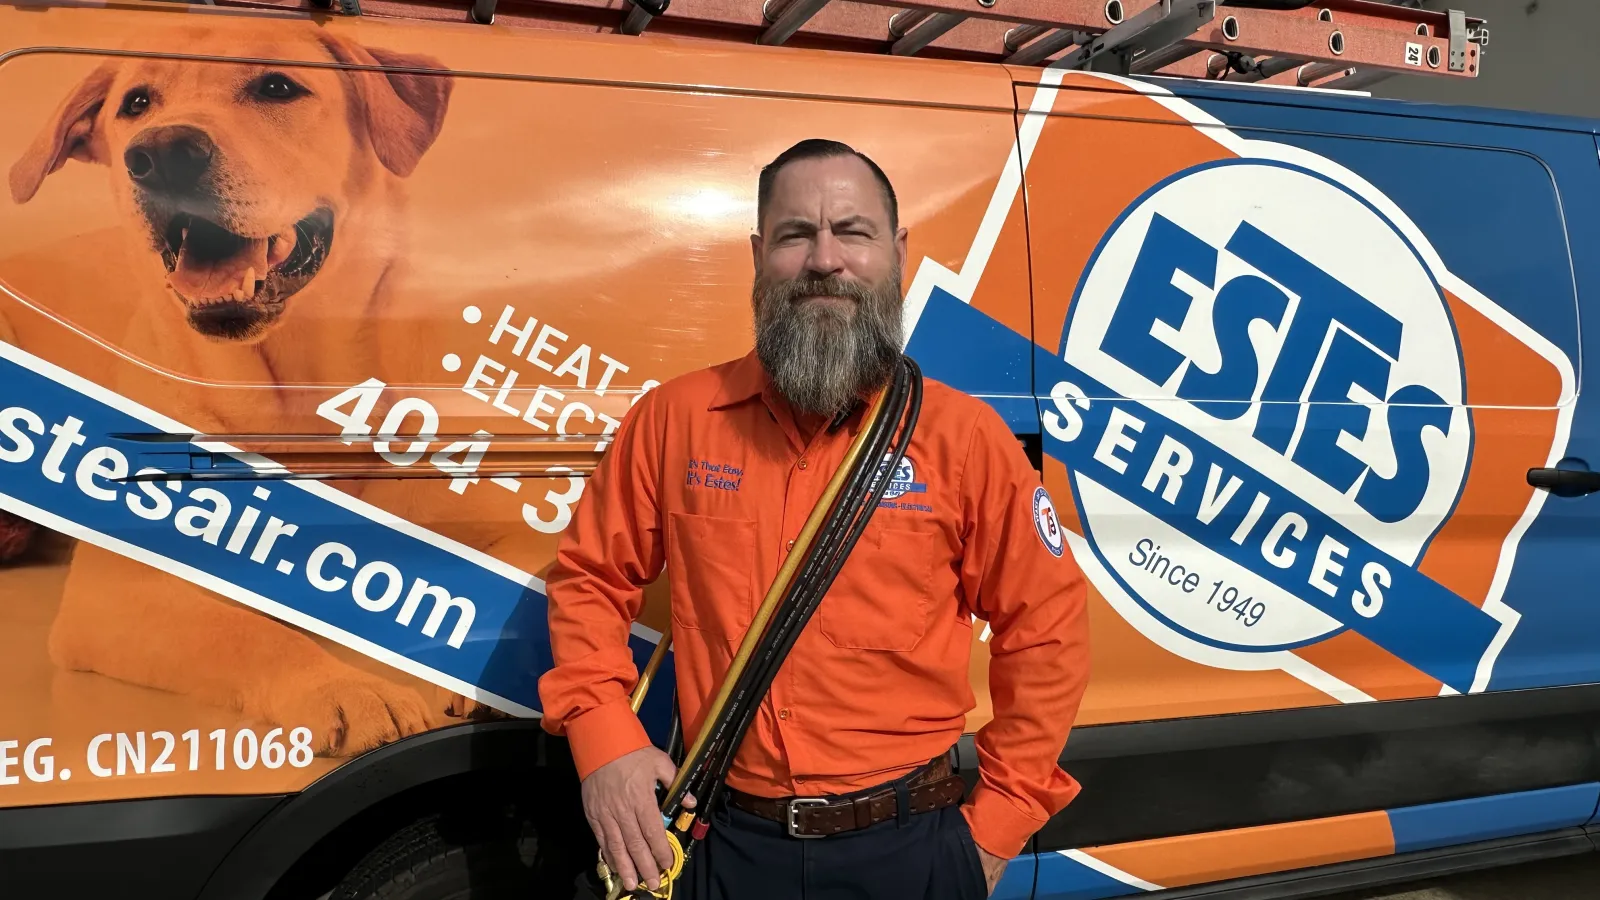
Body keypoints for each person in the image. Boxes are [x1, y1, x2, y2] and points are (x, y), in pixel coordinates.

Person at [537, 138, 1091, 900]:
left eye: (852, 232)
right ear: (761, 254)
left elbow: (1047, 628)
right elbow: (590, 581)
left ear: (895, 252)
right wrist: (604, 742)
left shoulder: (966, 440)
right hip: (719, 842)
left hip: (914, 851)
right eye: (797, 234)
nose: (824, 259)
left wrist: (994, 828)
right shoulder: (673, 421)